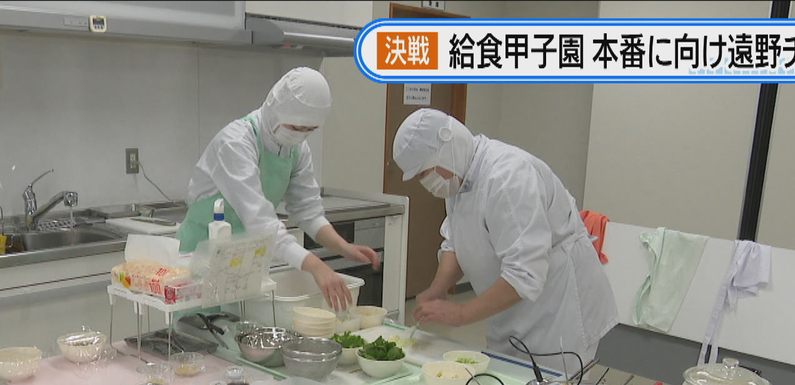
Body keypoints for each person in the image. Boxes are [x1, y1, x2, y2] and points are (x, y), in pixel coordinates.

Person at [394, 108, 618, 364]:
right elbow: (455, 242)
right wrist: (437, 290)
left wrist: (461, 314)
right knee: (508, 380)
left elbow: (525, 273)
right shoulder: (458, 178)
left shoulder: (508, 177)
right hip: (511, 304)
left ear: (446, 148)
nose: (427, 182)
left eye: (425, 173)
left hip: (557, 306)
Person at [178, 67, 377, 311]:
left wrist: (343, 247)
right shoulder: (236, 143)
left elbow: (308, 212)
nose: (299, 136)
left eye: (309, 131)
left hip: (245, 262)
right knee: (197, 334)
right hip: (200, 260)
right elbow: (261, 223)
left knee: (239, 333)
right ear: (275, 108)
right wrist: (316, 265)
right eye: (294, 127)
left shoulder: (297, 150)